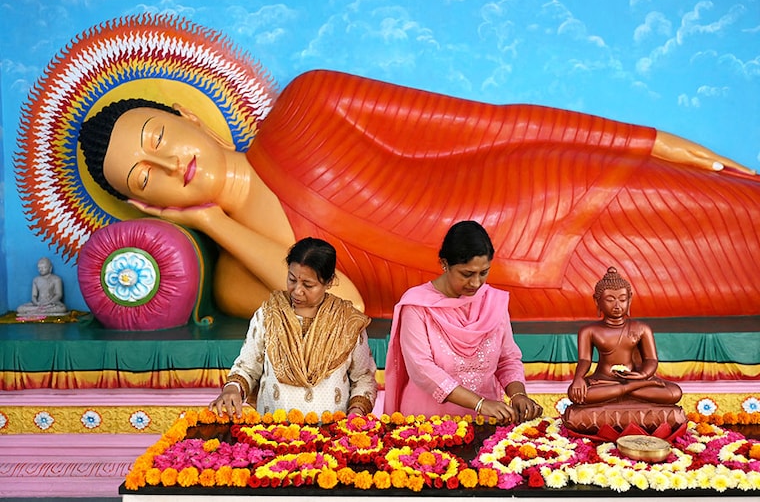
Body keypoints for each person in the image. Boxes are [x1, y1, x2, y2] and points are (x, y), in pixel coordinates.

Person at [78, 69, 760, 322]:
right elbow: (341, 303)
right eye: (146, 178)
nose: (169, 163)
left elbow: (495, 124)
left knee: (740, 215)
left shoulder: (310, 103)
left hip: (562, 184)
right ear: (147, 206)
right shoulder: (236, 278)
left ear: (187, 117)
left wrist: (650, 143)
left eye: (158, 135)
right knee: (732, 284)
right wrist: (211, 221)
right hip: (526, 290)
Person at [383, 220, 543, 423]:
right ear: (444, 264)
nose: (476, 283)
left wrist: (518, 394)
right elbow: (421, 369)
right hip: (428, 422)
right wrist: (480, 404)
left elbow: (507, 358)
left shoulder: (493, 302)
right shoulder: (417, 305)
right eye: (467, 274)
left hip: (487, 421)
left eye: (483, 272)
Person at [208, 237, 377, 418]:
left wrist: (356, 412)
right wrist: (232, 389)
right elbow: (247, 368)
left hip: (332, 438)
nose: (297, 290)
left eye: (308, 285)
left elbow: (363, 378)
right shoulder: (268, 316)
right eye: (292, 279)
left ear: (328, 282)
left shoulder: (347, 322)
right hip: (272, 436)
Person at [567, 267, 682, 406]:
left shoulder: (641, 329)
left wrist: (643, 375)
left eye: (622, 299)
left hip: (634, 379)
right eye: (610, 299)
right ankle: (629, 390)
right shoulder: (589, 331)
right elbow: (585, 360)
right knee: (576, 394)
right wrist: (578, 378)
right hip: (603, 379)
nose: (617, 305)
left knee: (674, 392)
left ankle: (625, 390)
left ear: (629, 300)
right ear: (597, 301)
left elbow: (651, 359)